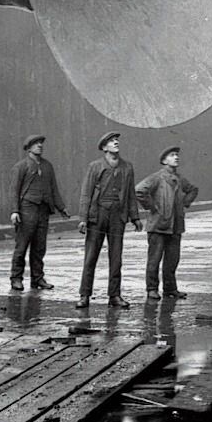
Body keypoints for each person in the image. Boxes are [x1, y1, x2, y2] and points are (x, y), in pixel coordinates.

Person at [77, 131, 140, 309]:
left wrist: (134, 217)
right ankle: (84, 295)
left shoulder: (127, 167)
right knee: (90, 257)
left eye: (117, 140)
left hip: (117, 216)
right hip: (98, 215)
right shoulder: (95, 166)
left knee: (116, 257)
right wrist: (83, 218)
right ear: (104, 147)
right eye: (111, 141)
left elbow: (131, 194)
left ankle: (115, 295)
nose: (116, 142)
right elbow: (86, 193)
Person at [136, 146, 200, 302]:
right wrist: (152, 207)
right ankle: (151, 289)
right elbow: (139, 190)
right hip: (158, 225)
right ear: (164, 160)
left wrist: (185, 202)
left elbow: (193, 190)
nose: (176, 157)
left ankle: (170, 289)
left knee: (172, 260)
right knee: (154, 259)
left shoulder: (179, 179)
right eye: (172, 155)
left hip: (175, 226)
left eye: (177, 155)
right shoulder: (157, 178)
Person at [8, 134, 68, 292]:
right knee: (22, 246)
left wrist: (61, 208)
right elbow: (14, 191)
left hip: (43, 210)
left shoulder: (48, 166)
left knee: (40, 247)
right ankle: (16, 278)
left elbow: (54, 188)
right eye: (36, 144)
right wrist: (15, 211)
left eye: (41, 143)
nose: (40, 146)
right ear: (28, 148)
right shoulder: (21, 167)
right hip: (26, 209)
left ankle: (37, 279)